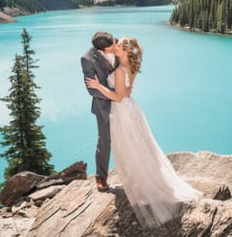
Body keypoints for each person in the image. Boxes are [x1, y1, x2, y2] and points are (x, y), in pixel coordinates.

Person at [86, 37, 202, 227]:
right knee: (140, 147)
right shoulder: (128, 67)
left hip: (122, 112)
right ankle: (143, 182)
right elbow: (128, 92)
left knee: (128, 149)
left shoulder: (120, 70)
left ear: (124, 51)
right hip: (131, 110)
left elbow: (117, 96)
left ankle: (141, 187)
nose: (115, 46)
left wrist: (99, 86)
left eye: (119, 45)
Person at [81, 31, 117, 192]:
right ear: (101, 50)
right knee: (105, 141)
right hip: (104, 106)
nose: (115, 47)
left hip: (124, 103)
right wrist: (115, 94)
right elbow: (92, 90)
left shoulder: (115, 44)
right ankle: (101, 177)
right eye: (111, 47)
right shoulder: (87, 59)